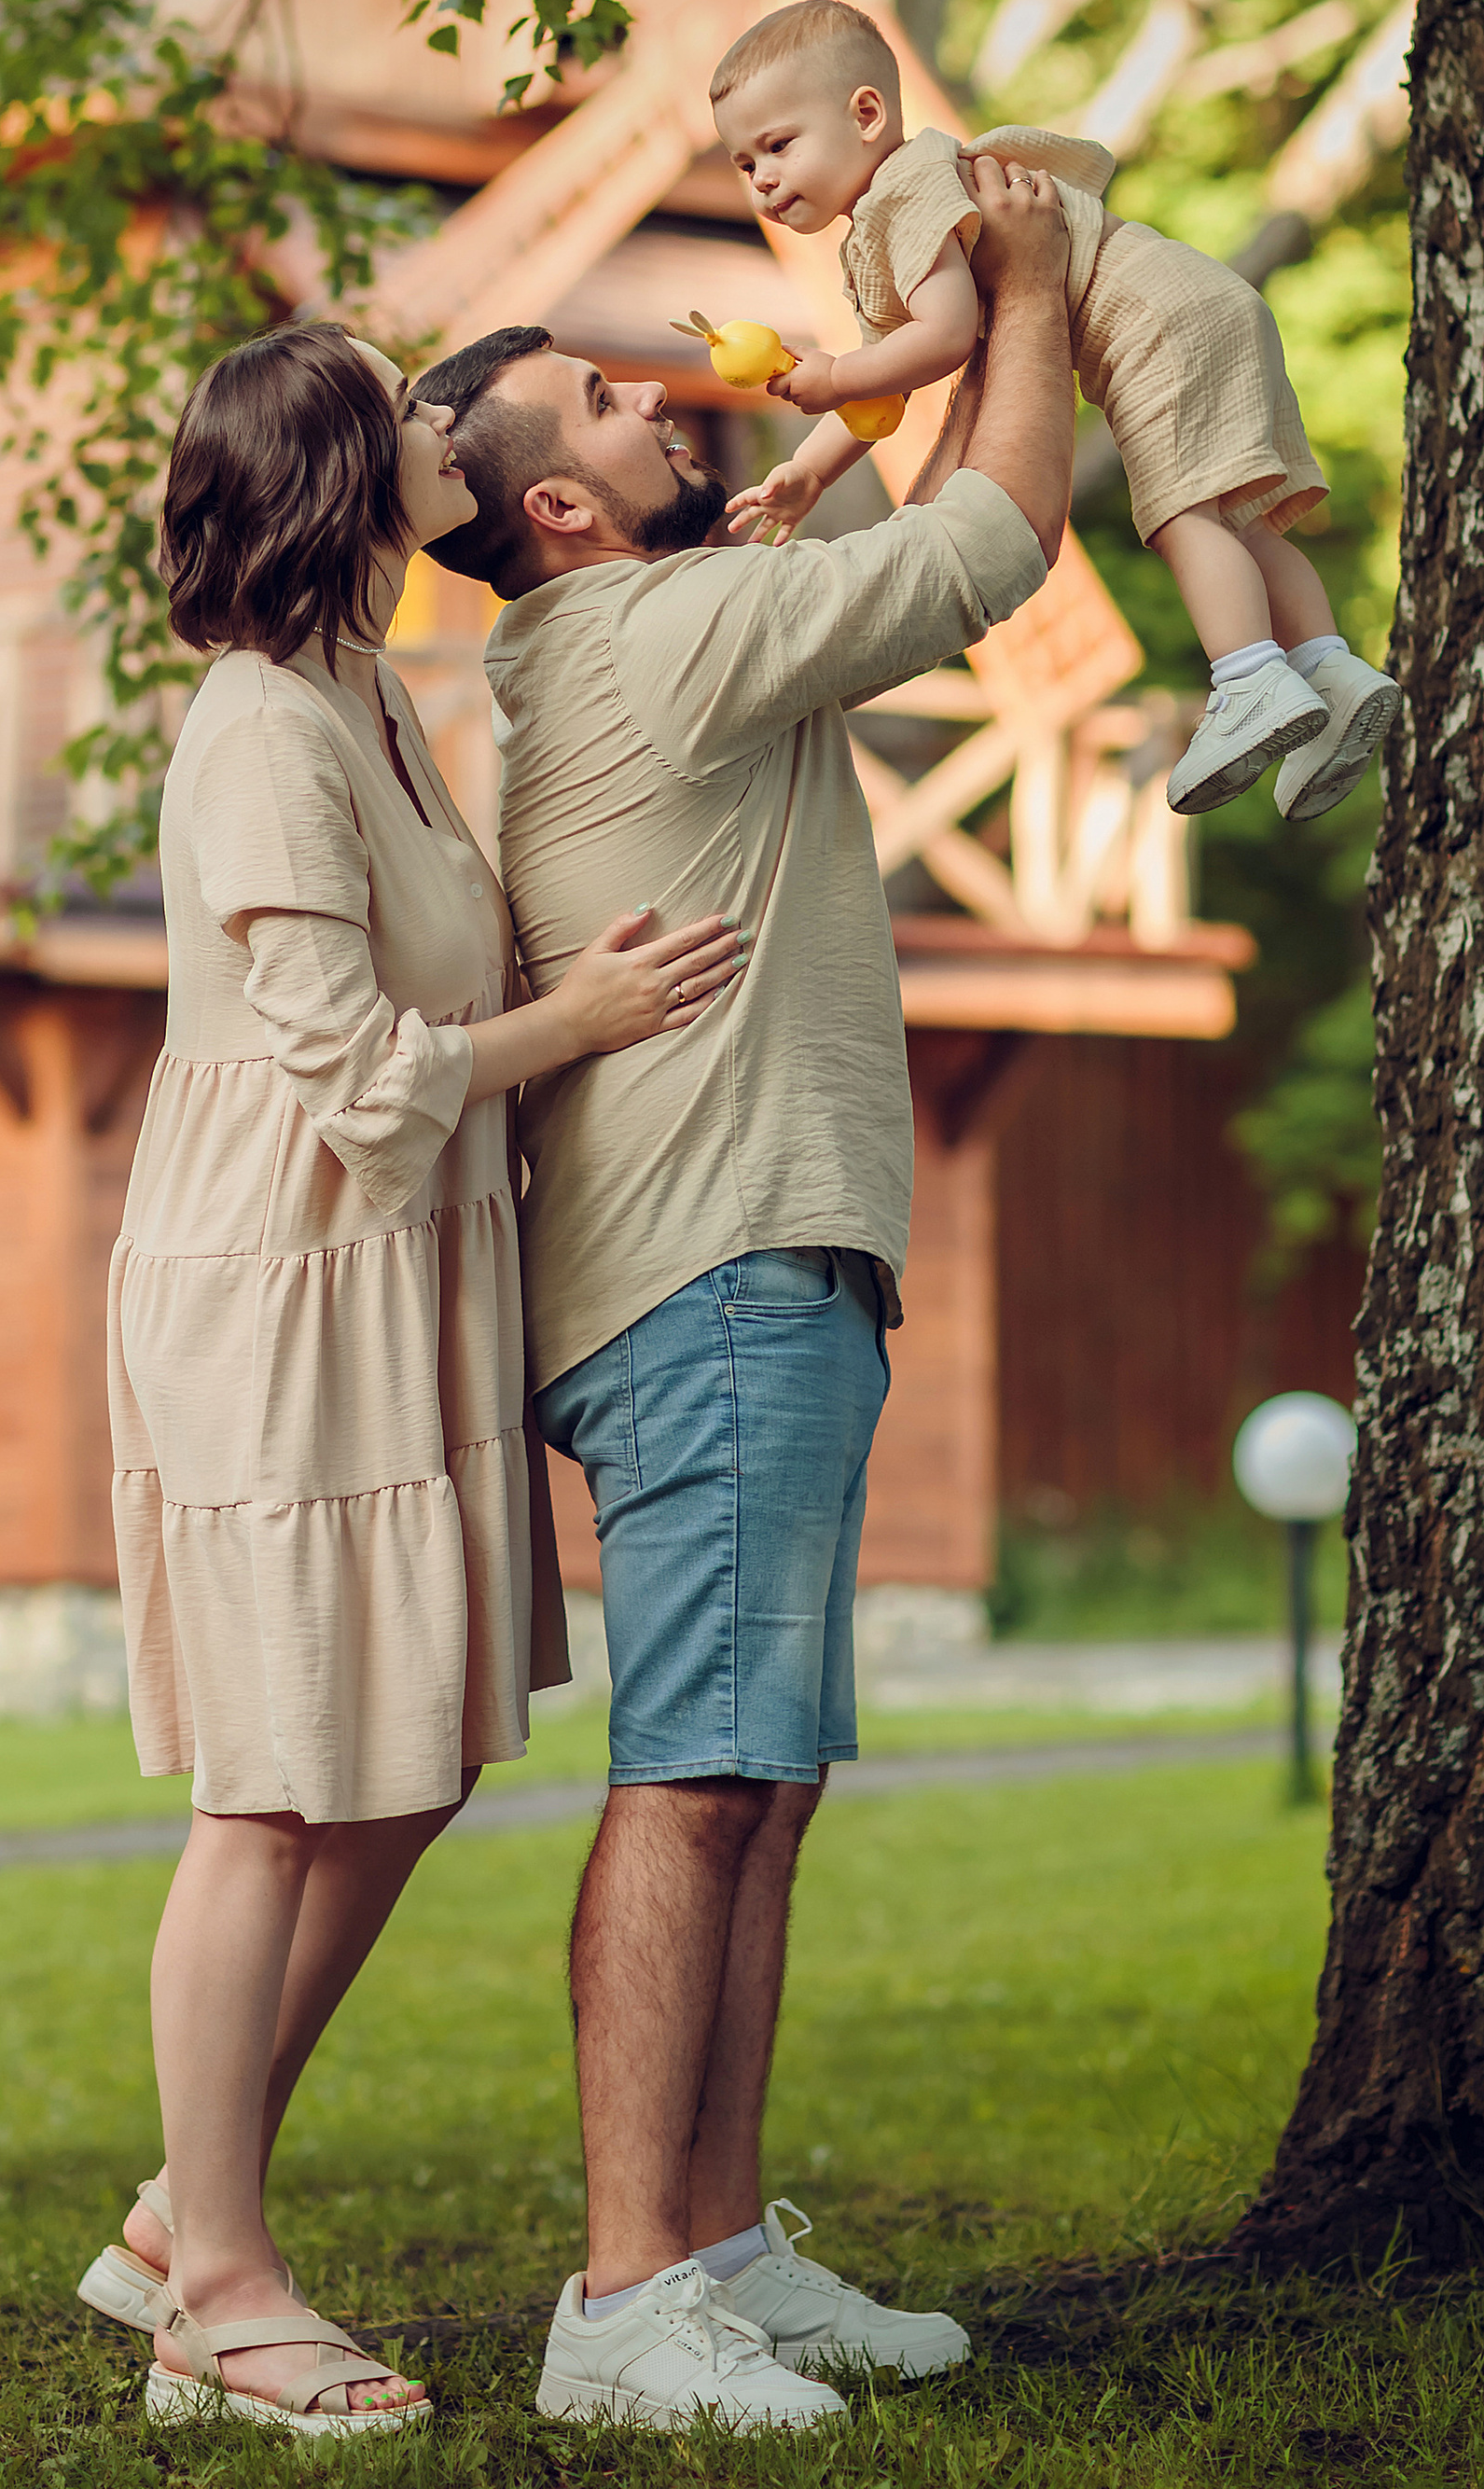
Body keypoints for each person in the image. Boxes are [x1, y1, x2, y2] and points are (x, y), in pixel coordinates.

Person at [409, 159, 1075, 2431]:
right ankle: (619, 2305)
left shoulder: (654, 615)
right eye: (599, 401)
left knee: (757, 1777)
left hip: (743, 1271)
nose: (651, 393)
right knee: (693, 1776)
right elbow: (995, 540)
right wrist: (1049, 283)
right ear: (562, 515)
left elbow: (884, 465)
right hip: (707, 1283)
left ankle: (708, 2248)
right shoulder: (650, 641)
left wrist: (919, 328)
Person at [84, 323, 747, 2441]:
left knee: (403, 1752)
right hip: (286, 1279)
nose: (449, 430)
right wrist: (593, 1015)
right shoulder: (262, 732)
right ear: (346, 478)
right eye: (410, 411)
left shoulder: (369, 690)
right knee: (275, 1785)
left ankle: (176, 2212)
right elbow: (362, 1081)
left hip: (385, 1272)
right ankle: (222, 2282)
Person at [709, 0, 1399, 823]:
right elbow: (890, 381)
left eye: (780, 145)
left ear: (866, 113)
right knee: (1239, 517)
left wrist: (834, 375)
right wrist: (809, 473)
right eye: (746, 164)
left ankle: (1248, 678)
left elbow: (946, 336)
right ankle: (1327, 669)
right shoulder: (896, 207)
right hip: (1197, 298)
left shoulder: (905, 191)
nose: (765, 179)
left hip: (1150, 322)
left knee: (1182, 516)